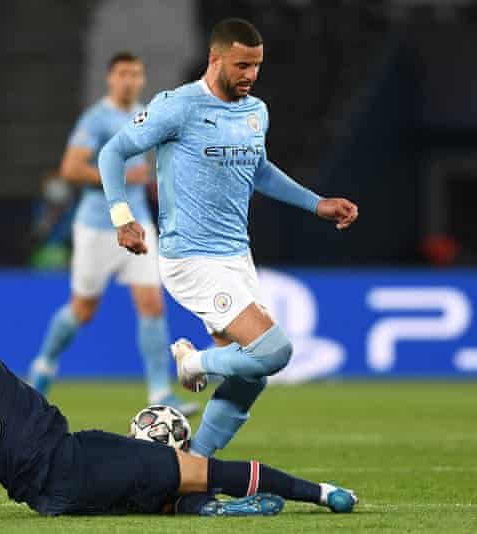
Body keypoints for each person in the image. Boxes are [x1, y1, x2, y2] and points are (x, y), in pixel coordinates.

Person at [0, 240, 357, 518]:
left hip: (52, 501)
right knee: (202, 467)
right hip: (75, 457)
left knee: (160, 496)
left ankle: (209, 509)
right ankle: (324, 492)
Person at [97, 19, 359, 458]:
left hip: (237, 257)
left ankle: (193, 467)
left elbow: (258, 170)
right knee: (274, 351)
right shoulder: (178, 106)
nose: (250, 75)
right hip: (191, 259)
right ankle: (192, 362)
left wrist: (318, 204)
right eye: (241, 65)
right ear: (215, 59)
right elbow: (113, 152)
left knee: (251, 376)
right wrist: (123, 218)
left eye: (257, 66)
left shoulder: (256, 111)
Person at [27, 52, 196, 416]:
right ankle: (44, 365)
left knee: (152, 303)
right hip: (96, 228)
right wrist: (119, 176)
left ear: (142, 79)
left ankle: (159, 392)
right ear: (110, 78)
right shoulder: (96, 118)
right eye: (122, 73)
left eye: (135, 73)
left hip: (138, 224)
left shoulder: (146, 116)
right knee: (83, 310)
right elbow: (70, 169)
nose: (129, 80)